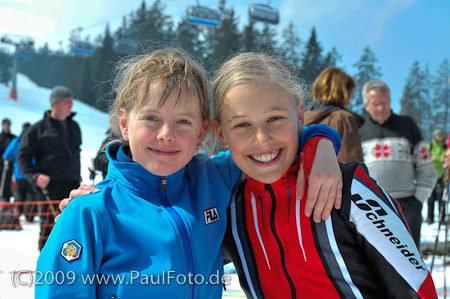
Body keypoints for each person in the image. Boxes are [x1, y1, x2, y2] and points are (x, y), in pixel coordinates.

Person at [36, 48, 343, 298]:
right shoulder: (91, 212)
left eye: (183, 121)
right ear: (125, 123)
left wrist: (320, 141)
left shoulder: (215, 178)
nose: (167, 134)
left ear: (202, 132)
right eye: (152, 118)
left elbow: (269, 144)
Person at [213, 53, 437, 298]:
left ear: (300, 114)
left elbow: (415, 287)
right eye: (242, 125)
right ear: (221, 132)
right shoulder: (227, 207)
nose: (262, 138)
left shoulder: (346, 187)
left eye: (274, 118)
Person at [359, 80, 437, 248]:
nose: (381, 108)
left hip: (407, 206)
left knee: (410, 261)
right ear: (366, 105)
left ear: (390, 101)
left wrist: (418, 201)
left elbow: (426, 167)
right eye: (376, 104)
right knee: (376, 259)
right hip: (371, 207)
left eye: (384, 103)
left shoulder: (407, 124)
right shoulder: (360, 129)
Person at [17, 86, 82, 250]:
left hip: (72, 183)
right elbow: (22, 156)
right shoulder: (37, 129)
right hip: (49, 185)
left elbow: (76, 153)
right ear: (56, 103)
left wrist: (78, 173)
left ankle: (69, 263)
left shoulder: (74, 126)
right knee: (48, 225)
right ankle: (46, 266)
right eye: (68, 101)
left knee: (71, 224)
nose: (71, 105)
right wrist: (34, 176)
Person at [304, 66, 364, 162]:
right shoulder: (343, 118)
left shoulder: (301, 118)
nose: (351, 98)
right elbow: (350, 164)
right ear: (343, 92)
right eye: (350, 93)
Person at [2, 122, 37, 222]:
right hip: (31, 173)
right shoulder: (33, 140)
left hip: (19, 173)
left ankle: (17, 215)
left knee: (19, 194)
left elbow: (6, 155)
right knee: (30, 195)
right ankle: (29, 216)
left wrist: (11, 159)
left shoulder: (16, 140)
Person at [426, 128, 447, 224]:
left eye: (441, 135)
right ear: (434, 136)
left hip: (442, 176)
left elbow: (445, 159)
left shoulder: (446, 147)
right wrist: (439, 159)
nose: (440, 137)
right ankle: (430, 218)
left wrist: (435, 158)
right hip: (430, 176)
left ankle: (442, 218)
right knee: (430, 199)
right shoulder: (429, 146)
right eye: (438, 135)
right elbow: (424, 158)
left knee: (441, 198)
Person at [0, 118, 16, 202]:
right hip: (1, 165)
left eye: (8, 125)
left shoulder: (13, 138)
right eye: (6, 125)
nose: (7, 127)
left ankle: (6, 200)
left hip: (10, 165)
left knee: (8, 184)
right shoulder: (0, 137)